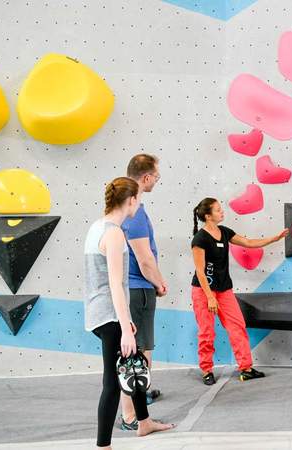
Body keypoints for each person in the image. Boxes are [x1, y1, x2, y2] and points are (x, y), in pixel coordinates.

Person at [83, 177, 173, 449]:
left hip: (101, 311)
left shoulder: (97, 227)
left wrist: (127, 323)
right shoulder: (114, 233)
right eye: (139, 200)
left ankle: (143, 422)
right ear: (131, 200)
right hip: (109, 315)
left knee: (134, 365)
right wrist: (124, 326)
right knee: (112, 382)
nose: (139, 204)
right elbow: (115, 284)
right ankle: (103, 445)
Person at [191, 198, 289, 385]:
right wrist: (210, 297)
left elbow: (249, 243)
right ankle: (206, 370)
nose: (222, 212)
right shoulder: (200, 239)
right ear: (208, 216)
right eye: (218, 210)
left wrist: (274, 238)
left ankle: (245, 368)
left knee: (237, 326)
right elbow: (200, 272)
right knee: (207, 332)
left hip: (224, 290)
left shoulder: (225, 232)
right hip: (204, 292)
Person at [119, 154, 165, 430]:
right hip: (139, 290)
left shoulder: (128, 210)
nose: (156, 182)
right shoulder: (135, 215)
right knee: (139, 355)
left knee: (136, 352)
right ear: (146, 178)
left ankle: (136, 405)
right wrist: (159, 282)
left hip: (135, 290)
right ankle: (132, 416)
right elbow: (145, 259)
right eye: (156, 178)